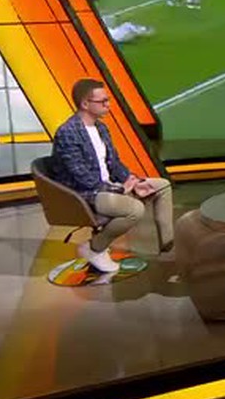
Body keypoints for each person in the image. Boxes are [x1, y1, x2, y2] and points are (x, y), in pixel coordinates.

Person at [51, 79, 174, 272]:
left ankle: (168, 245)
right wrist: (120, 189)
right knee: (135, 210)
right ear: (85, 104)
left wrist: (132, 181)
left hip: (107, 187)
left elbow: (114, 163)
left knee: (162, 185)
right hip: (85, 194)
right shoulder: (68, 133)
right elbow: (83, 178)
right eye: (103, 101)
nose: (108, 105)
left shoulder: (101, 128)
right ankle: (94, 248)